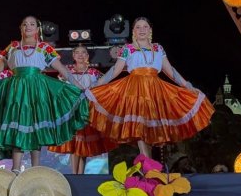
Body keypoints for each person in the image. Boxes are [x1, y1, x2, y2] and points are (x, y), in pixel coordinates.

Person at [0, 16, 88, 174]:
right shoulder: (13, 46)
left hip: (37, 90)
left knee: (36, 126)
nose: (28, 26)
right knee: (18, 123)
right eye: (25, 24)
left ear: (37, 29)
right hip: (16, 91)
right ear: (20, 28)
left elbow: (62, 69)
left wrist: (77, 85)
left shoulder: (44, 48)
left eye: (32, 24)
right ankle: (16, 168)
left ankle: (35, 169)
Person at [86, 17, 214, 158]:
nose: (142, 30)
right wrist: (97, 84)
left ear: (150, 30)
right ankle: (146, 162)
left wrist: (187, 85)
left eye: (145, 27)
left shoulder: (158, 48)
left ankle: (148, 168)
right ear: (134, 31)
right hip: (134, 89)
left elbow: (170, 70)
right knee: (139, 127)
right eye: (138, 27)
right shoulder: (127, 49)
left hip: (155, 89)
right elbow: (115, 71)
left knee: (149, 130)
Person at [47, 45, 117, 174]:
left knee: (83, 143)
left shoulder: (94, 73)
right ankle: (75, 174)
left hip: (88, 110)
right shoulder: (67, 72)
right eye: (77, 53)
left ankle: (81, 174)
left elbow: (101, 89)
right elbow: (62, 91)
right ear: (73, 56)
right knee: (75, 141)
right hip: (72, 111)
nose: (80, 55)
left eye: (83, 53)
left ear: (87, 56)